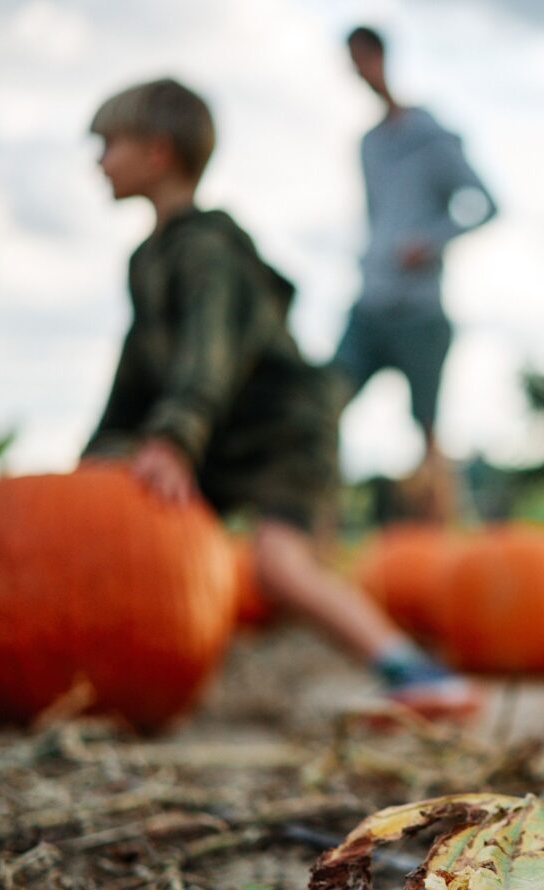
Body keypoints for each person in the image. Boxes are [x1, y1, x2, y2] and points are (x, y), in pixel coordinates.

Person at [82, 77, 478, 718]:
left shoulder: (208, 248)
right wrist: (93, 459)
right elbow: (134, 375)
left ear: (157, 152)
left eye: (107, 143)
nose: (97, 160)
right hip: (223, 425)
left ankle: (419, 673)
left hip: (284, 422)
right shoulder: (146, 261)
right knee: (155, 542)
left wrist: (176, 435)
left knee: (278, 567)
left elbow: (206, 350)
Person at [333, 25, 498, 523]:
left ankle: (440, 542)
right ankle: (317, 529)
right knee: (324, 405)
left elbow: (486, 205)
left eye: (363, 59)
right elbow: (374, 217)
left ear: (382, 58)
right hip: (370, 303)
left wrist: (430, 243)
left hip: (420, 311)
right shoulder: (367, 145)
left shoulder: (431, 137)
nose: (358, 71)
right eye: (351, 62)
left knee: (426, 429)